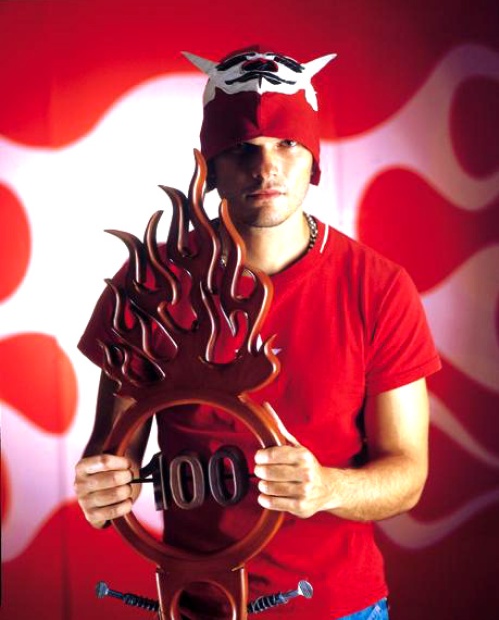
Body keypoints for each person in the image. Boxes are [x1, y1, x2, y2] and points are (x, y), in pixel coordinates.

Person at [74, 47, 441, 619]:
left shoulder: (378, 287)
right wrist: (102, 489)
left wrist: (327, 488)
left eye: (287, 143)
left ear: (313, 158)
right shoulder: (151, 285)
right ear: (210, 164)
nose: (266, 168)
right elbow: (112, 452)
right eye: (242, 148)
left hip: (338, 606)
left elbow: (407, 474)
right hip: (197, 603)